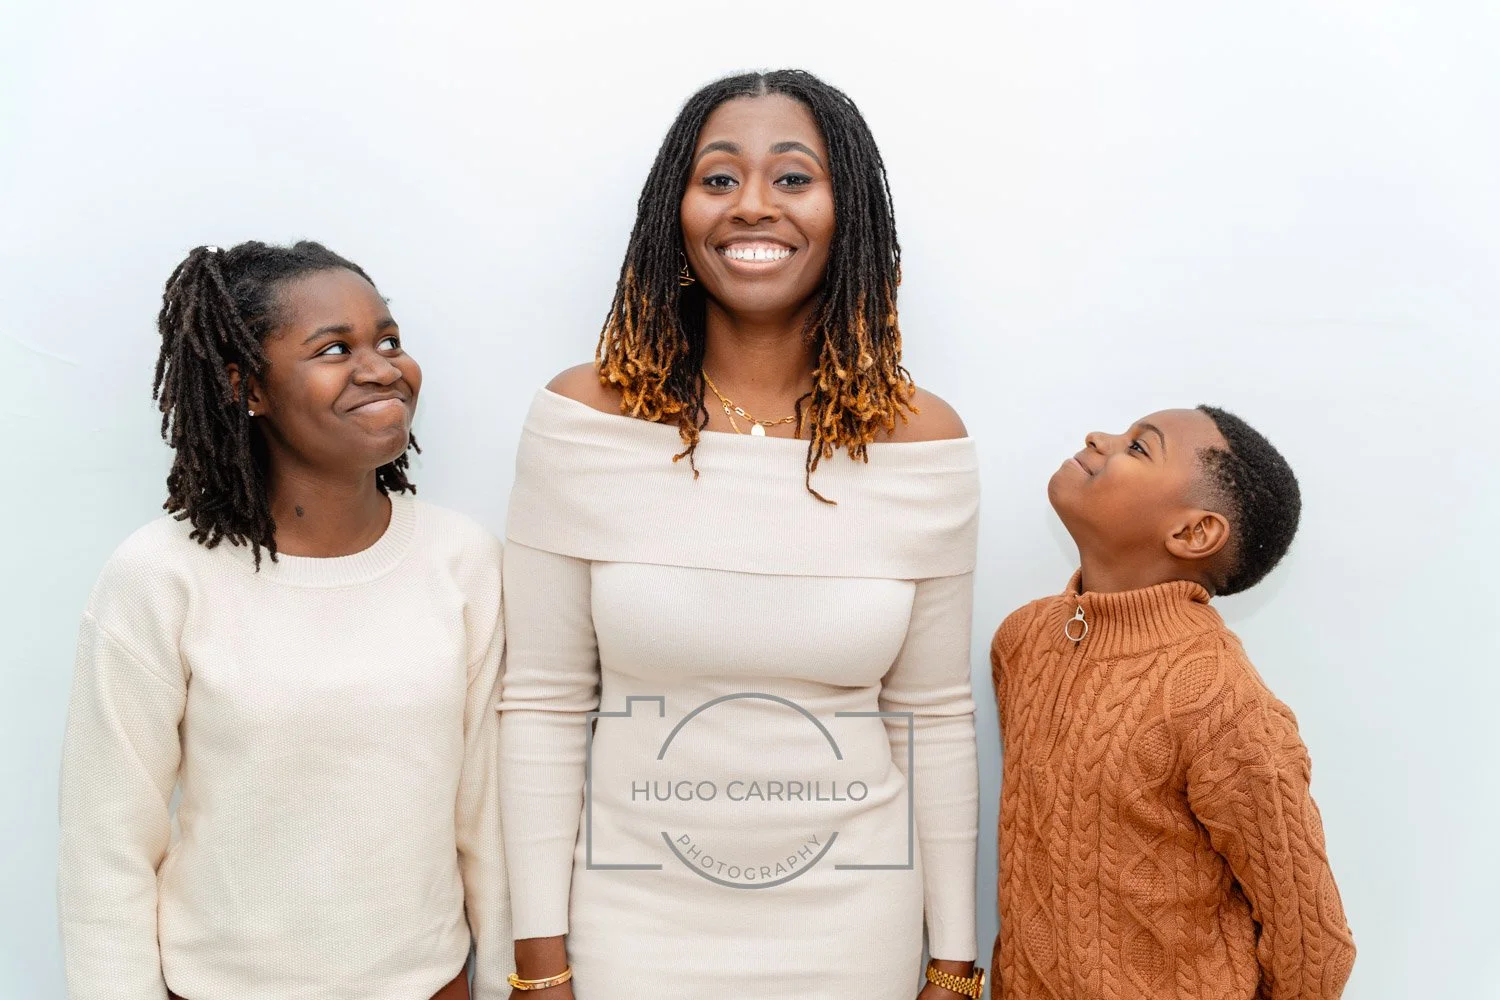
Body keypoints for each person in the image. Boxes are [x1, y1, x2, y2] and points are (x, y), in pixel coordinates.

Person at [497, 70, 984, 999]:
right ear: (674, 214)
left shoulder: (924, 441)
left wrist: (953, 963)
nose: (752, 204)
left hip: (855, 931)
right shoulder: (582, 421)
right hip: (628, 926)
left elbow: (932, 716)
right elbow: (546, 703)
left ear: (849, 215)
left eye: (793, 178)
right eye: (718, 179)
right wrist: (538, 964)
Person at [58, 241, 510, 1000]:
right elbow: (107, 849)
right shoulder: (160, 576)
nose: (381, 368)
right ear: (247, 387)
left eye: (388, 340)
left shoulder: (462, 561)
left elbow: (489, 815)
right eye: (335, 349)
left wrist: (508, 982)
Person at [989, 405, 1356, 999]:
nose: (1099, 437)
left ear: (1193, 532)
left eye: (1139, 448)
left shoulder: (1217, 699)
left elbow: (1314, 947)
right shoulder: (1023, 642)